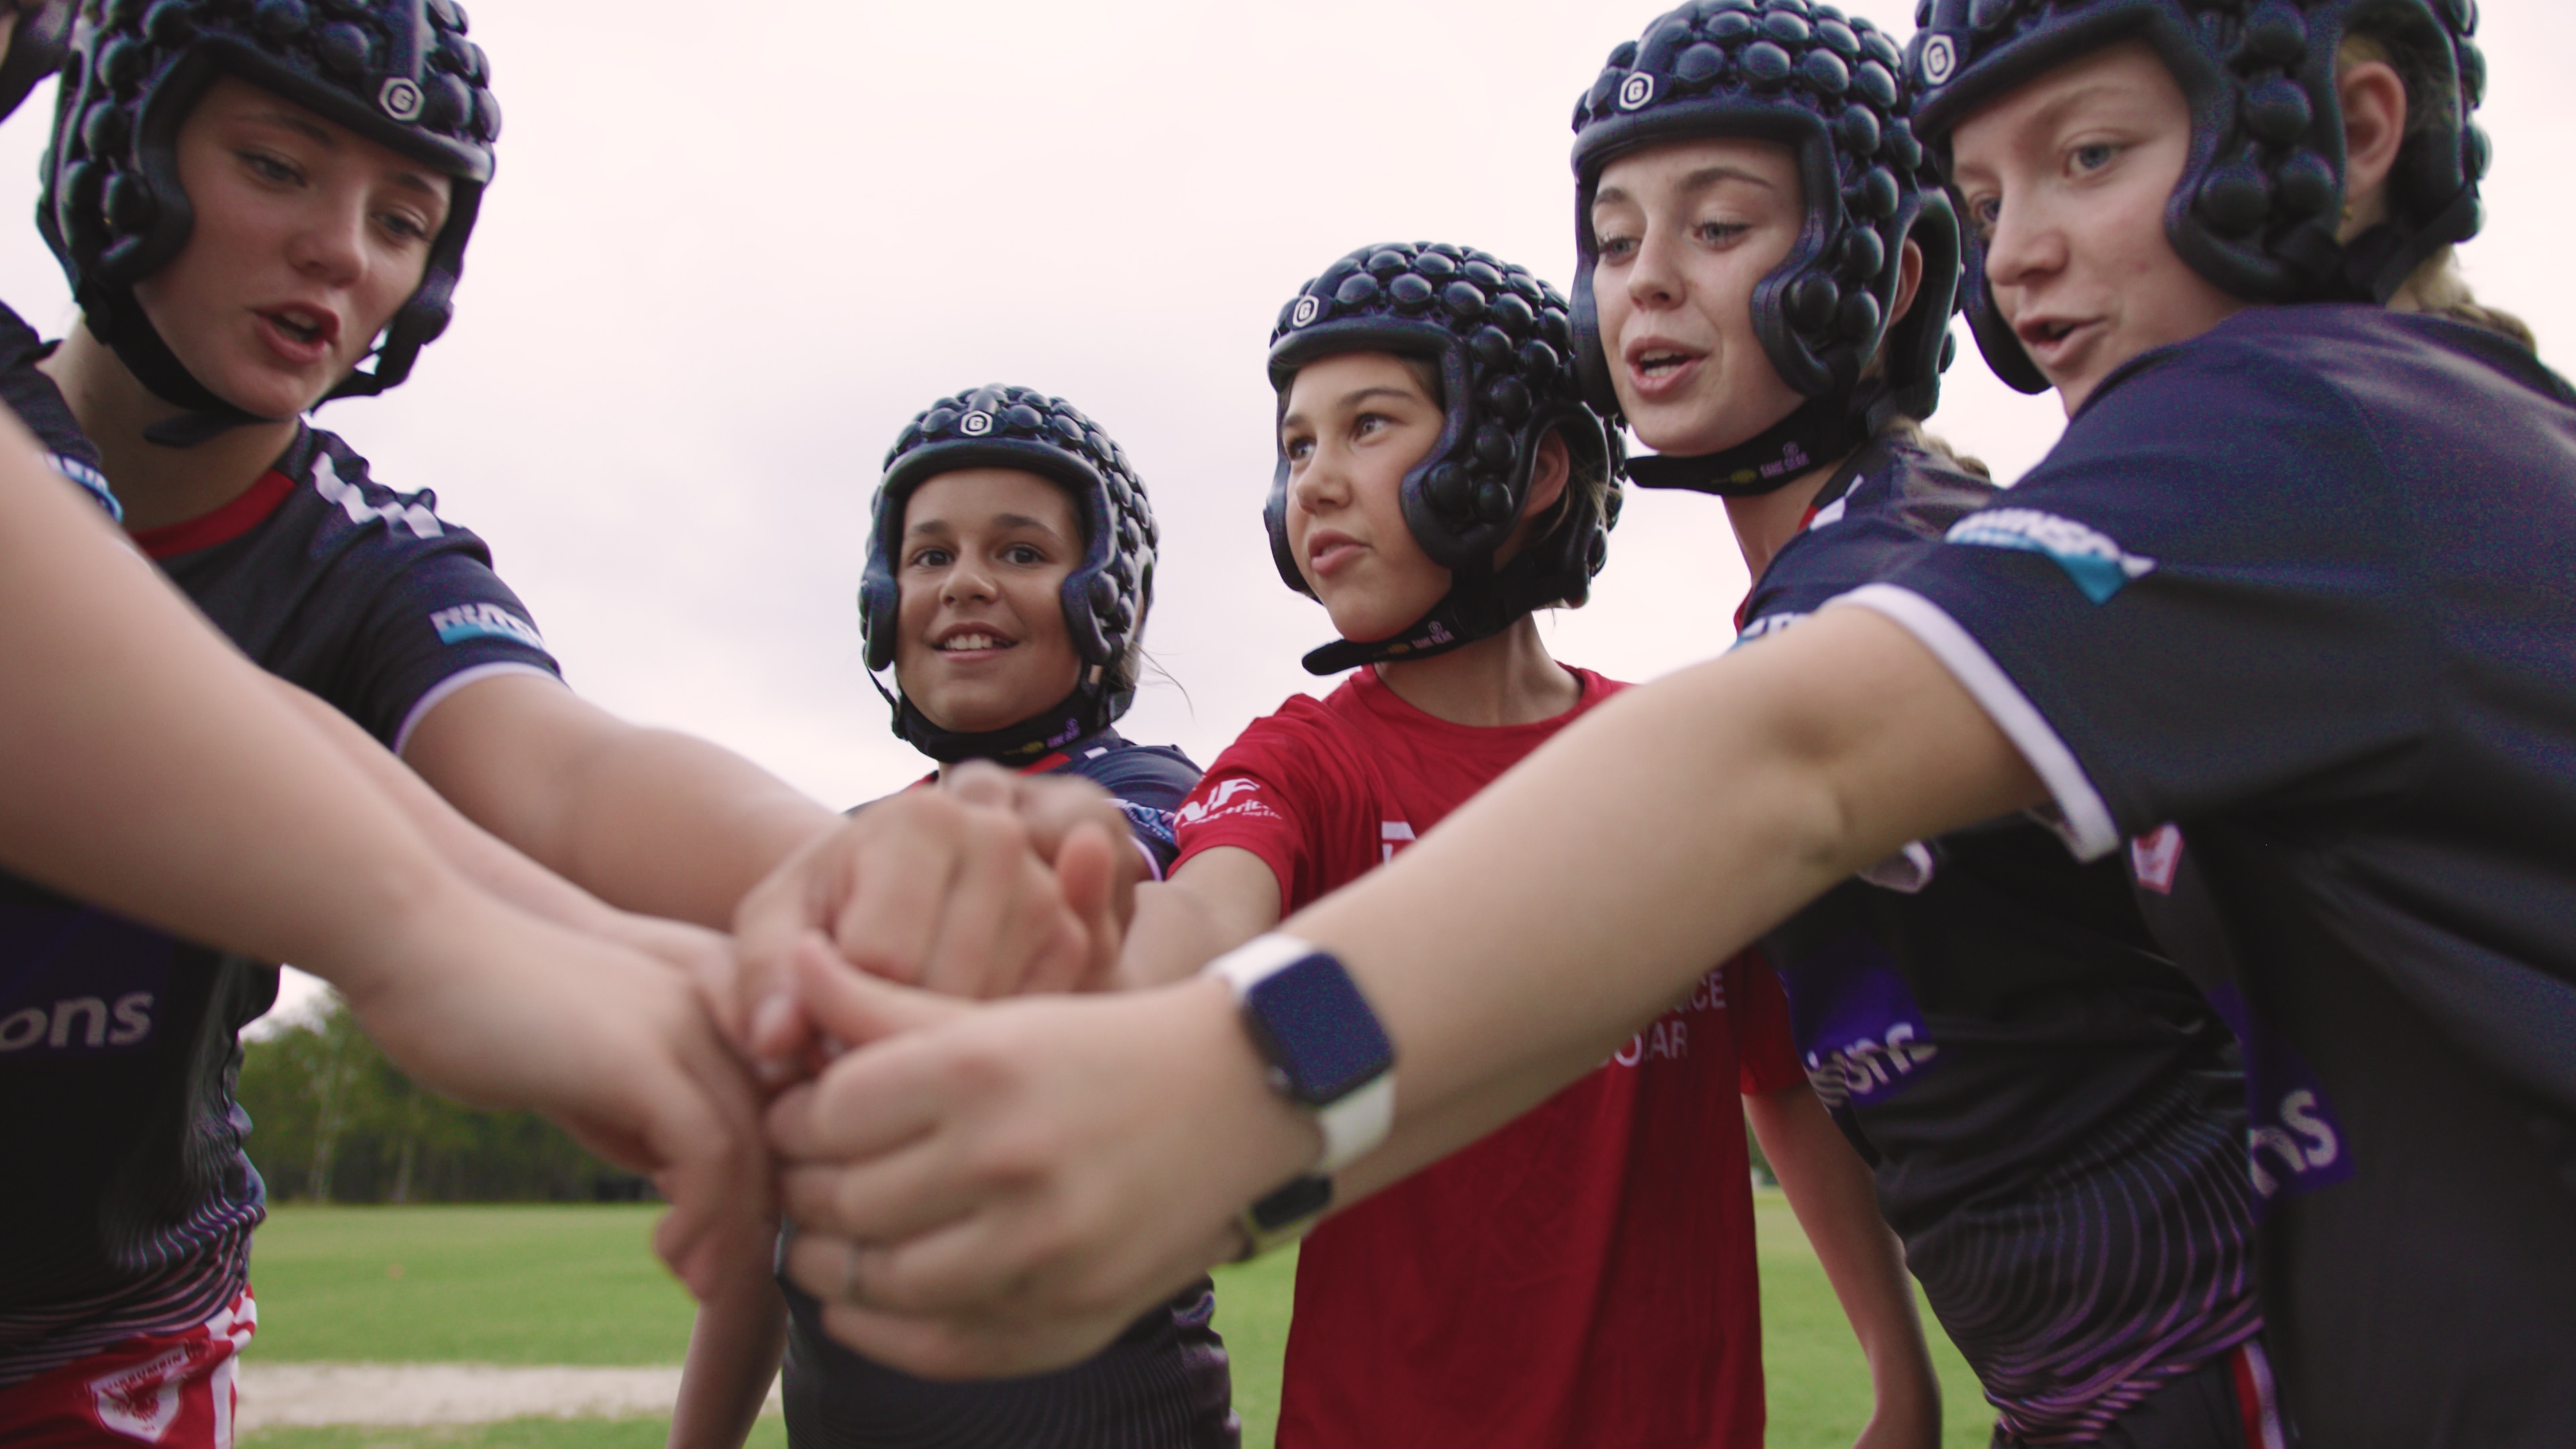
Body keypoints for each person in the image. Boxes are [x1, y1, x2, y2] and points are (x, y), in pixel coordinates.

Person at [742, 1, 2576, 1444]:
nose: (2028, 255)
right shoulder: (2272, 473)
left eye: (2093, 156)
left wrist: (1212, 1103)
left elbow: (1773, 769)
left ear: (2344, 131)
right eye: (1613, 238)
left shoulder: (2268, 427)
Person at [0, 3, 770, 1437]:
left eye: (403, 217)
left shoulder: (369, 557)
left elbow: (566, 772)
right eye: (277, 168)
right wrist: (431, 928)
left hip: (107, 1343)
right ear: (120, 142)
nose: (344, 251)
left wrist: (847, 879)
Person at [1033, 241, 1935, 1448]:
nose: (1317, 482)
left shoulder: (1680, 759)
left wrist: (1901, 1370)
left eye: (1370, 427)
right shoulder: (1302, 764)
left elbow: (1775, 1077)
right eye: (1298, 445)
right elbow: (1205, 923)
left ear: (1535, 463)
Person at [1570, 7, 2263, 1443]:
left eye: (1717, 229)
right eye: (1616, 238)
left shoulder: (1895, 581)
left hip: (2211, 1353)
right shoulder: (1860, 561)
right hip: (2087, 1381)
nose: (1646, 287)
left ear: (1883, 277)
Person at [673, 386, 1234, 1449]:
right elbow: (758, 1251)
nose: (965, 582)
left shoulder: (1163, 799)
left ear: (1106, 596)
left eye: (1019, 553)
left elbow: (1094, 877)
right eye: (929, 557)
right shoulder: (855, 842)